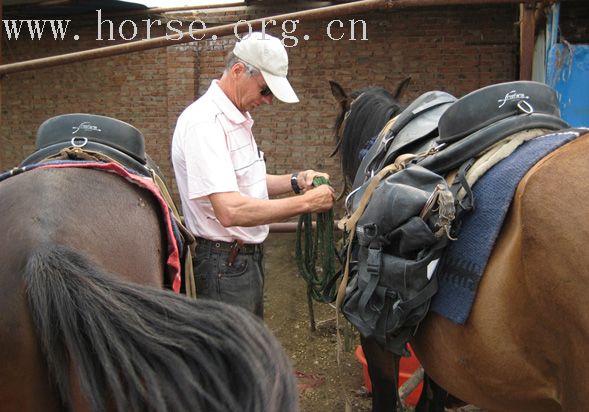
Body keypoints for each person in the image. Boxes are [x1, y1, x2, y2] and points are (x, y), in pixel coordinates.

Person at [171, 31, 335, 318]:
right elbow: (230, 210)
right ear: (238, 71)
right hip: (222, 263)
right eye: (265, 90)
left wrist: (297, 180)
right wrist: (307, 204)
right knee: (231, 360)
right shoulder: (205, 124)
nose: (268, 100)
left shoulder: (235, 119)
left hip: (240, 260)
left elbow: (250, 184)